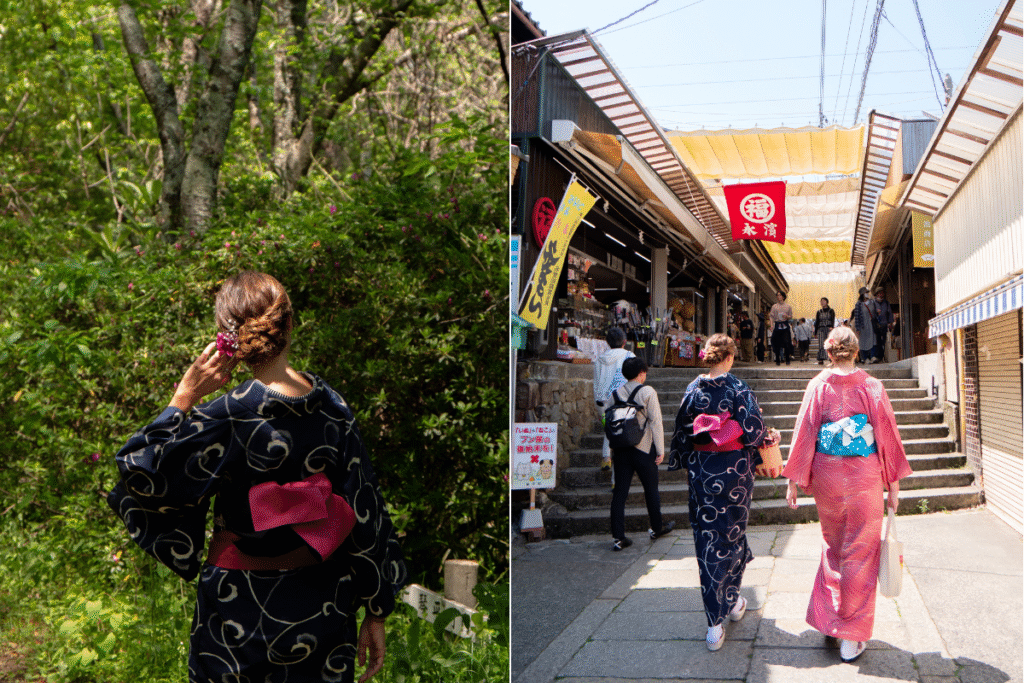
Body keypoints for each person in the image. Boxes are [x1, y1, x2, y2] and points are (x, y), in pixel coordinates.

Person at [107, 271, 406, 683]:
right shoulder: (334, 408)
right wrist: (376, 608)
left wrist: (184, 396)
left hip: (236, 616)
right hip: (322, 606)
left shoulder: (226, 414)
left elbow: (142, 472)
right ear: (290, 324)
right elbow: (364, 510)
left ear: (225, 338)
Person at [782, 326, 913, 663]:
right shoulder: (872, 386)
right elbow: (886, 434)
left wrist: (794, 479)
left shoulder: (817, 385)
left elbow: (806, 430)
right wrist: (893, 485)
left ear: (829, 352)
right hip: (863, 477)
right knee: (860, 551)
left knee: (833, 546)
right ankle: (851, 636)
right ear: (857, 351)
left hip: (827, 475)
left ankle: (830, 621)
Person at [669, 334, 772, 651]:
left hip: (702, 470)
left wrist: (692, 456)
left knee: (708, 536)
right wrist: (765, 444)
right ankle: (725, 607)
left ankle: (723, 613)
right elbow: (754, 428)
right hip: (734, 472)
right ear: (729, 357)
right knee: (731, 532)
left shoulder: (693, 389)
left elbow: (683, 432)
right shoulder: (738, 388)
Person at [609, 356, 674, 551]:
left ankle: (618, 537)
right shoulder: (647, 391)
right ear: (641, 373)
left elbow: (608, 419)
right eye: (644, 372)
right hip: (644, 448)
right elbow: (656, 421)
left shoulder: (615, 393)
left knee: (619, 493)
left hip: (621, 450)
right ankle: (656, 528)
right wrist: (661, 450)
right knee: (651, 490)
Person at [594, 327, 635, 472]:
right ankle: (614, 479)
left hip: (603, 400)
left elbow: (597, 382)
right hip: (622, 399)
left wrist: (599, 406)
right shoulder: (630, 356)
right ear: (624, 341)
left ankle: (606, 457)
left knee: (609, 427)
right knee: (619, 435)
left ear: (607, 343)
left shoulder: (599, 359)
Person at [867, 287, 894, 363]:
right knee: (875, 341)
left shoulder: (886, 303)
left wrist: (890, 323)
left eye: (882, 293)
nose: (881, 294)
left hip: (884, 325)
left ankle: (880, 357)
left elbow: (890, 314)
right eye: (880, 293)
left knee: (883, 342)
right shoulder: (872, 303)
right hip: (875, 326)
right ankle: (873, 356)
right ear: (876, 294)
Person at [851, 287, 876, 364]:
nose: (867, 294)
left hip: (871, 324)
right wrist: (858, 328)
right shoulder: (858, 304)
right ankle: (865, 358)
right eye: (866, 292)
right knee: (863, 342)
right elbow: (857, 316)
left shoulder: (872, 302)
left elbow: (874, 313)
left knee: (873, 340)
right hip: (863, 325)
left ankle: (872, 356)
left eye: (867, 292)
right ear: (862, 294)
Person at [769, 291, 794, 365]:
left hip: (785, 324)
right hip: (777, 324)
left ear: (783, 296)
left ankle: (787, 359)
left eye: (780, 295)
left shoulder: (788, 306)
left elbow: (791, 317)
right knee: (777, 343)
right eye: (777, 295)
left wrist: (787, 317)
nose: (778, 296)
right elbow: (771, 316)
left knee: (787, 342)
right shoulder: (774, 306)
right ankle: (777, 359)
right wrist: (771, 325)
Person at [814, 298, 835, 365]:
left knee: (830, 344)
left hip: (829, 329)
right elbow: (817, 322)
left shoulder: (831, 311)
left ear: (827, 302)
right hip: (821, 329)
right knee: (821, 344)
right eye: (821, 301)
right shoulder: (819, 312)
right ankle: (820, 359)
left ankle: (831, 358)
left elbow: (832, 319)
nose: (822, 302)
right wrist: (815, 332)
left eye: (824, 301)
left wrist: (832, 327)